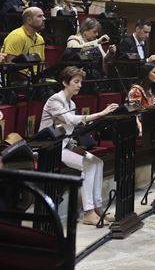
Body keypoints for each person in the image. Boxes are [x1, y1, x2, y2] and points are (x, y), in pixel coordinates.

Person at [39, 66, 118, 225]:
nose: (79, 85)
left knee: (97, 162)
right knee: (88, 165)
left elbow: (70, 130)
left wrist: (74, 145)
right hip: (49, 148)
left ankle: (97, 208)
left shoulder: (71, 101)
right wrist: (101, 114)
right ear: (64, 82)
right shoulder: (55, 100)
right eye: (76, 82)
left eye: (80, 82)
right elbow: (70, 120)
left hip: (65, 146)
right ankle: (88, 212)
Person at [1, 7, 46, 78]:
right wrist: (32, 79)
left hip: (35, 78)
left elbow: (41, 64)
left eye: (43, 16)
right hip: (18, 81)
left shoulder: (40, 38)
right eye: (39, 16)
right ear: (29, 20)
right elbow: (10, 65)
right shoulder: (17, 36)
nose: (44, 19)